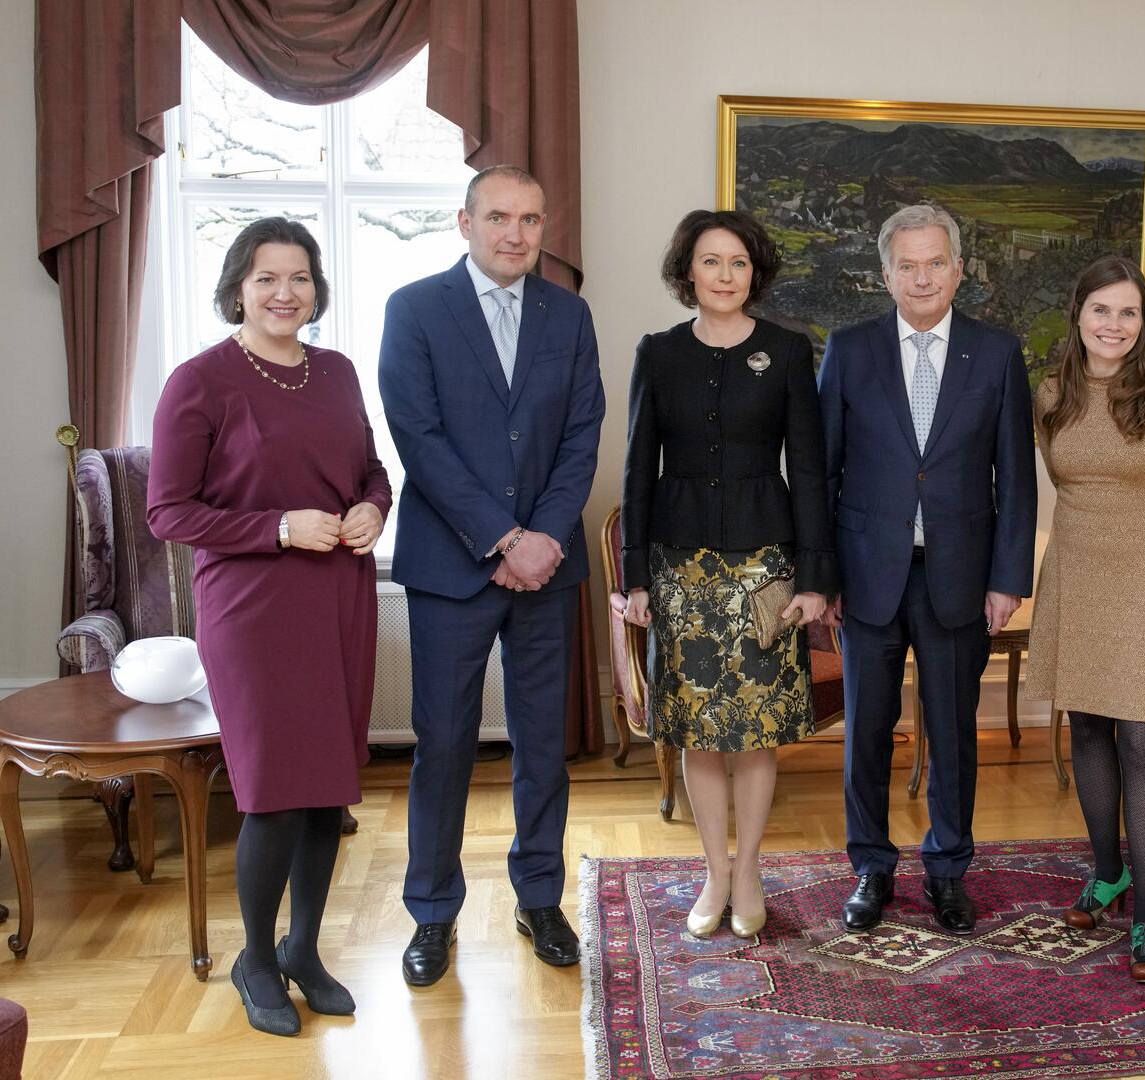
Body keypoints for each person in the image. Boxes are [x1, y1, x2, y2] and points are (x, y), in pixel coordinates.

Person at [148, 217, 391, 1036]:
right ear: (237, 290)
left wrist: (372, 508)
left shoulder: (338, 371)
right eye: (266, 278)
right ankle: (254, 958)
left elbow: (370, 469)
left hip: (340, 594)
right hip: (252, 608)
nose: (285, 293)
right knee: (275, 794)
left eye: (300, 277)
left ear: (316, 289)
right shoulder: (200, 380)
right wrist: (279, 528)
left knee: (326, 792)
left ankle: (303, 950)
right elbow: (168, 511)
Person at [379, 165, 605, 982]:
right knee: (443, 745)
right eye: (500, 217)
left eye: (531, 219)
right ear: (464, 222)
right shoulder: (415, 308)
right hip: (452, 566)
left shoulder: (567, 314)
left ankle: (539, 898)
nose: (516, 233)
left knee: (543, 744)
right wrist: (504, 538)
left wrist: (541, 539)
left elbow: (582, 434)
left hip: (548, 568)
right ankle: (432, 912)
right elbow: (418, 437)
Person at [818, 204, 1037, 937]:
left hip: (960, 578)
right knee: (866, 734)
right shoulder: (849, 350)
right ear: (885, 275)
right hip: (865, 576)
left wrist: (1007, 579)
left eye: (935, 263)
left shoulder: (996, 353)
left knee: (953, 732)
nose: (922, 277)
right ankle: (871, 868)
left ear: (958, 270)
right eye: (906, 265)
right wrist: (823, 578)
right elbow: (822, 472)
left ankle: (947, 870)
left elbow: (1016, 476)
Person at [620, 210, 836, 939]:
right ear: (688, 272)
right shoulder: (658, 353)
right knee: (697, 731)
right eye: (710, 261)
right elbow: (637, 468)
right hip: (679, 569)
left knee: (754, 731)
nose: (724, 275)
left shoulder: (787, 351)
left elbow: (809, 470)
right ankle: (715, 871)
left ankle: (749, 872)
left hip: (764, 568)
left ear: (755, 273)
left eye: (738, 262)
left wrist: (815, 578)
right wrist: (636, 577)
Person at [1025, 255, 1145, 983]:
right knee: (1086, 726)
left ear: (1143, 321)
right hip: (1077, 574)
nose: (1114, 324)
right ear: (1078, 315)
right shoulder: (1052, 393)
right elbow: (1060, 474)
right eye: (1101, 310)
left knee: (1141, 740)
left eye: (1128, 312)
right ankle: (1106, 873)